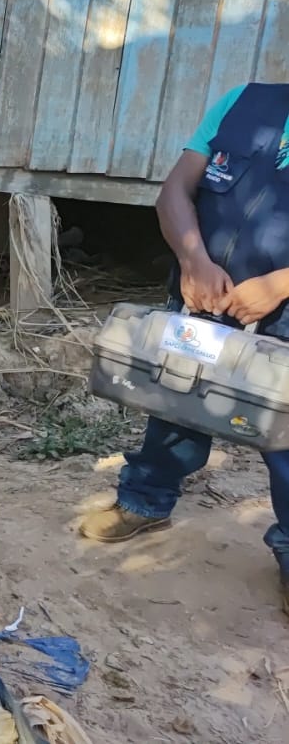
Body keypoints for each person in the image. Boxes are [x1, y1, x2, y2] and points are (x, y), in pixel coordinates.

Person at [79, 82, 289, 616]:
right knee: (176, 401)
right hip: (206, 294)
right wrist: (193, 260)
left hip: (283, 310)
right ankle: (144, 501)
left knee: (287, 442)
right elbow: (175, 191)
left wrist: (280, 284)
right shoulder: (244, 102)